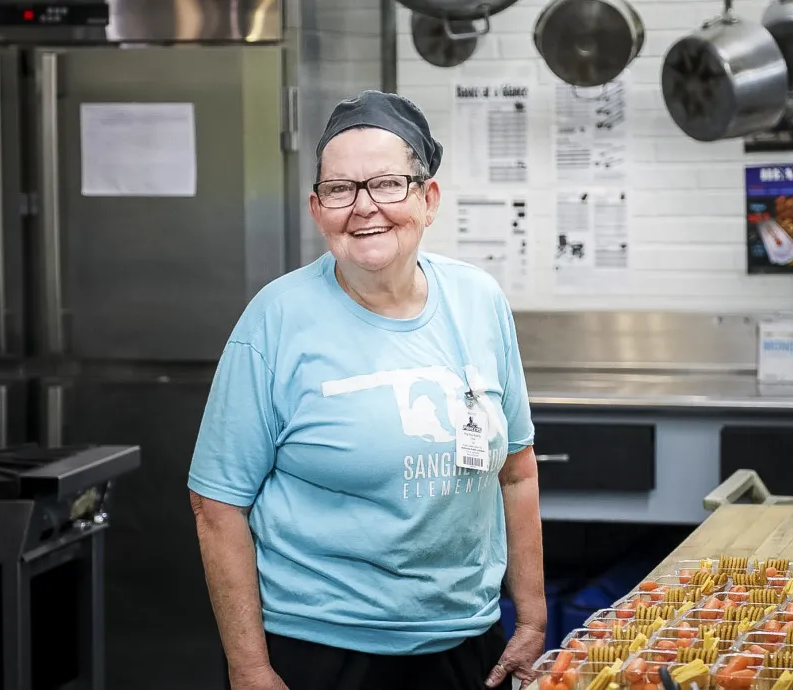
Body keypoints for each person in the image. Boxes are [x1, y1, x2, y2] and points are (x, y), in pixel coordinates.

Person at [187, 90, 547, 690]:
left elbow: (517, 471)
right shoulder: (275, 319)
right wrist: (248, 667)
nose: (364, 207)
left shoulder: (480, 301)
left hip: (465, 640)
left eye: (386, 184)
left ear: (427, 200)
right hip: (320, 649)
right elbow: (217, 504)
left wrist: (532, 616)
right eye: (340, 189)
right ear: (316, 207)